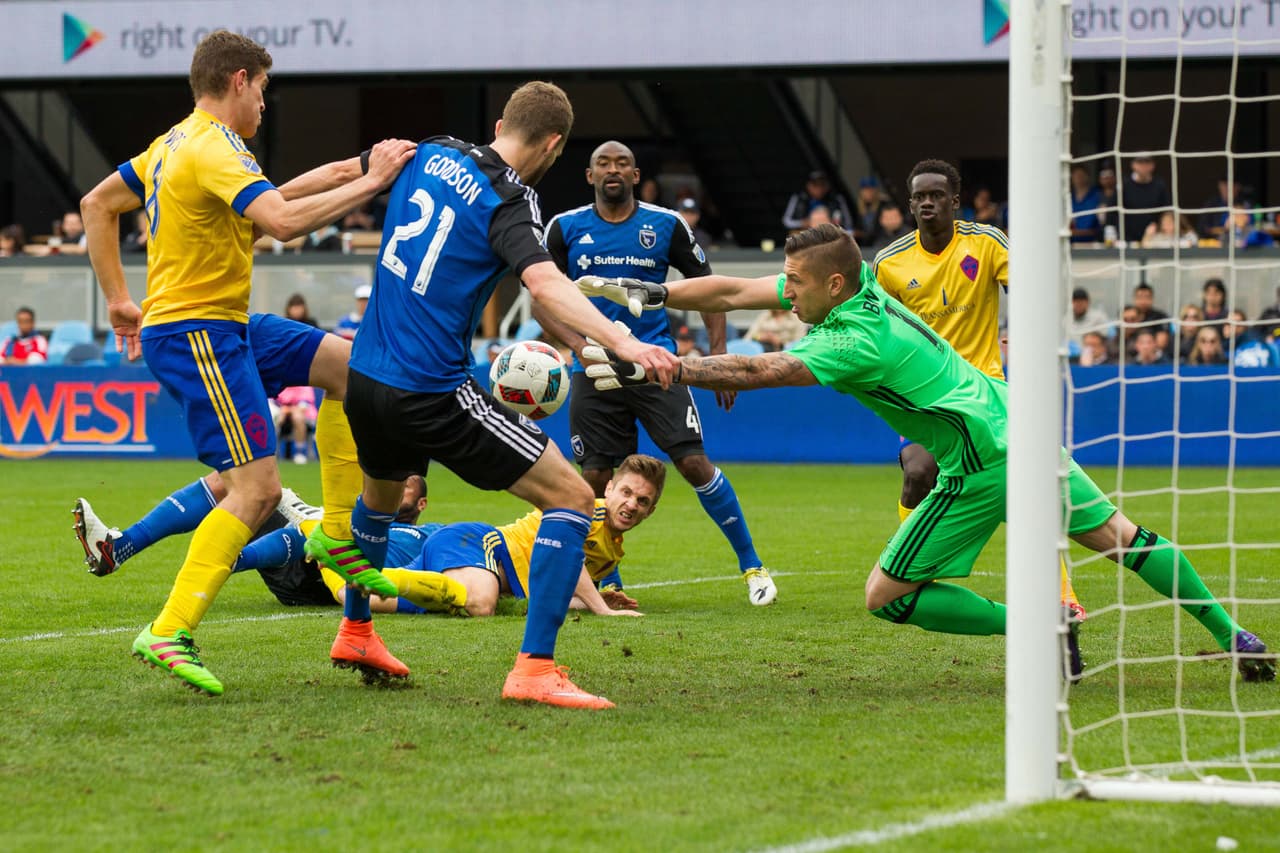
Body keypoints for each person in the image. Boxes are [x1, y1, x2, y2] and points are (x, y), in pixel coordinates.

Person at [579, 223, 1274, 682]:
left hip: (980, 462)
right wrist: (658, 291)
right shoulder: (867, 289)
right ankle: (1237, 635)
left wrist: (662, 364)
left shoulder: (850, 342)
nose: (785, 290)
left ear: (834, 286)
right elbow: (733, 287)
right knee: (1122, 537)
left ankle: (1038, 623)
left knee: (886, 596)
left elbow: (763, 373)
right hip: (1023, 426)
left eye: (796, 281)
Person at [306, 83, 680, 711]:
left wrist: (267, 205)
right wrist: (624, 340)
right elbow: (544, 283)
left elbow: (354, 171)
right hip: (429, 388)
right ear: (555, 144)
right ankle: (535, 669)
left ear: (503, 121)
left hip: (364, 376)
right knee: (570, 497)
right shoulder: (512, 200)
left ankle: (356, 630)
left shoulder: (432, 149)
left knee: (376, 504)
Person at [77, 29, 416, 696]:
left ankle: (336, 537)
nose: (266, 102)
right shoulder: (214, 146)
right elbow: (285, 223)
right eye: (263, 89)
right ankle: (170, 628)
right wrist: (374, 182)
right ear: (238, 81)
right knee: (256, 489)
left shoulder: (175, 143)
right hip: (198, 333)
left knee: (352, 369)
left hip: (222, 325)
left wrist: (121, 301)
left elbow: (96, 205)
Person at [537, 139, 777, 607]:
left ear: (635, 175)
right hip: (594, 369)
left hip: (657, 365)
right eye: (603, 164)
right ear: (589, 176)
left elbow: (710, 289)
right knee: (595, 480)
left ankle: (752, 566)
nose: (612, 170)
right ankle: (608, 582)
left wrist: (719, 355)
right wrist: (579, 347)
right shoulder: (563, 228)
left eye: (622, 164)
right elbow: (543, 298)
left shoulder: (665, 224)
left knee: (693, 463)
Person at [871, 159, 1083, 629]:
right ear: (910, 205)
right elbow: (878, 327)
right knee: (918, 472)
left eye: (937, 195)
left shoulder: (985, 243)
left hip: (987, 391)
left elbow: (1026, 290)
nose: (928, 202)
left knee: (1026, 494)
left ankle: (1065, 599)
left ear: (954, 201)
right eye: (919, 196)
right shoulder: (889, 264)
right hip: (924, 396)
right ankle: (911, 567)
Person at [393, 453, 666, 618]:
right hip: (476, 544)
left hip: (472, 562)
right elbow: (568, 561)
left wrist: (589, 601)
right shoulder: (588, 512)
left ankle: (359, 582)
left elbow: (551, 595)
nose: (631, 505)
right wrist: (600, 608)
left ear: (651, 511)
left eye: (642, 501)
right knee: (480, 604)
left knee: (372, 592)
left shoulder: (612, 550)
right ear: (609, 489)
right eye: (626, 493)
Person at [1119, 155, 1171, 244]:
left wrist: (1161, 229)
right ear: (1133, 165)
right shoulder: (1124, 185)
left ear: (1153, 165)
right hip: (1126, 239)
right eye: (1140, 162)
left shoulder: (1160, 185)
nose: (1143, 165)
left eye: (1147, 162)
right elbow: (1113, 212)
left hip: (1154, 239)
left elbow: (1167, 211)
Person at [781, 170, 852, 232]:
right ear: (809, 186)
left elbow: (848, 224)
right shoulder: (799, 198)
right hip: (806, 237)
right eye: (815, 185)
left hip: (830, 237)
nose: (819, 189)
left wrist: (835, 225)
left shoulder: (836, 199)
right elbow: (786, 221)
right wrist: (802, 223)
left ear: (828, 186)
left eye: (822, 184)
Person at [273, 384, 317, 463]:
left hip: (306, 420)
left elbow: (303, 406)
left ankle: (299, 452)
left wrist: (288, 410)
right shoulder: (280, 385)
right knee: (279, 417)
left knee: (297, 417)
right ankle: (272, 451)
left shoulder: (304, 385)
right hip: (283, 419)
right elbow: (274, 404)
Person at [1131, 283, 1171, 354]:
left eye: (1147, 297)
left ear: (1152, 299)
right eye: (1140, 297)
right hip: (1130, 355)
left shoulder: (1161, 317)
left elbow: (1161, 343)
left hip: (1154, 357)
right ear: (1134, 299)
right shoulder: (1129, 317)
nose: (1143, 301)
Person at [1069, 165, 1103, 243]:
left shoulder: (1098, 196)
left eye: (1081, 175)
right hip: (1072, 243)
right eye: (1076, 176)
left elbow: (1099, 224)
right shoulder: (1069, 198)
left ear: (1087, 177)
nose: (1078, 178)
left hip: (1093, 242)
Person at [852, 176, 886, 247]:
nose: (868, 193)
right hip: (864, 246)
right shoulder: (859, 207)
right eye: (865, 190)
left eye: (871, 190)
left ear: (876, 191)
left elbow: (881, 231)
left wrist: (862, 234)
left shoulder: (883, 205)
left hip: (881, 244)